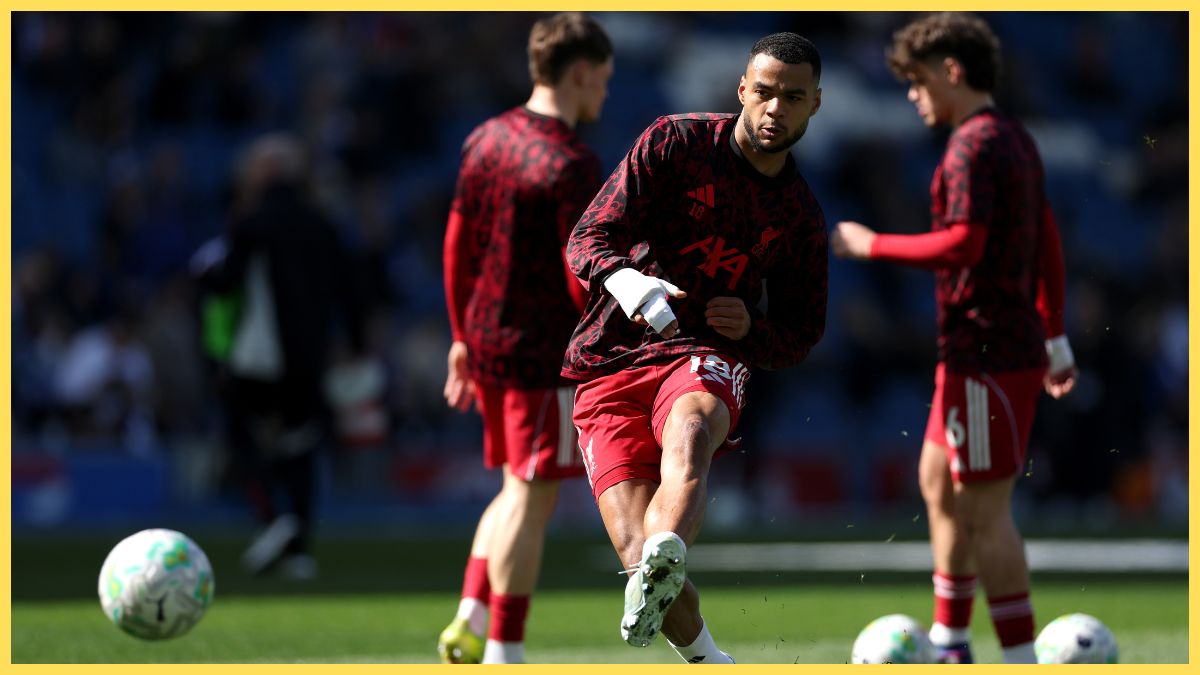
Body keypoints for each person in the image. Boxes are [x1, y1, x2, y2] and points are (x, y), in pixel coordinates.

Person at [564, 32, 828, 663]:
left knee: (691, 433)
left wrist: (751, 331)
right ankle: (712, 659)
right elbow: (587, 236)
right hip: (608, 359)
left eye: (793, 97)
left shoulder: (800, 216)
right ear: (742, 90)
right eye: (764, 92)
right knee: (638, 559)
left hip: (703, 352)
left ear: (816, 104)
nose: (775, 109)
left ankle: (664, 554)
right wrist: (629, 281)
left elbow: (801, 334)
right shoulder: (676, 143)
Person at [830, 12, 1078, 664]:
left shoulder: (973, 146)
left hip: (987, 351)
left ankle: (1017, 656)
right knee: (937, 480)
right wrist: (1055, 336)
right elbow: (1045, 236)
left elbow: (965, 243)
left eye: (917, 82)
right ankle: (952, 642)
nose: (913, 96)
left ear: (952, 72)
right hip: (989, 349)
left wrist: (871, 243)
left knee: (984, 510)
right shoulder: (1015, 136)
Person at [437, 12, 613, 665]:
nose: (605, 92)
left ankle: (468, 617)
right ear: (579, 72)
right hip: (540, 351)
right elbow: (580, 272)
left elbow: (457, 243)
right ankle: (504, 651)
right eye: (603, 78)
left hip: (485, 340)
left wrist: (459, 335)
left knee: (514, 487)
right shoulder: (570, 161)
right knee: (533, 498)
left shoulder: (486, 137)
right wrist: (605, 343)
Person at [197, 133, 365, 580]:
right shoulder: (322, 222)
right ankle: (299, 548)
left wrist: (205, 274)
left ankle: (273, 521)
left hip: (258, 356)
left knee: (241, 437)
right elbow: (349, 291)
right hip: (308, 358)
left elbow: (225, 282)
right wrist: (356, 343)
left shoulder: (250, 221)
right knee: (301, 443)